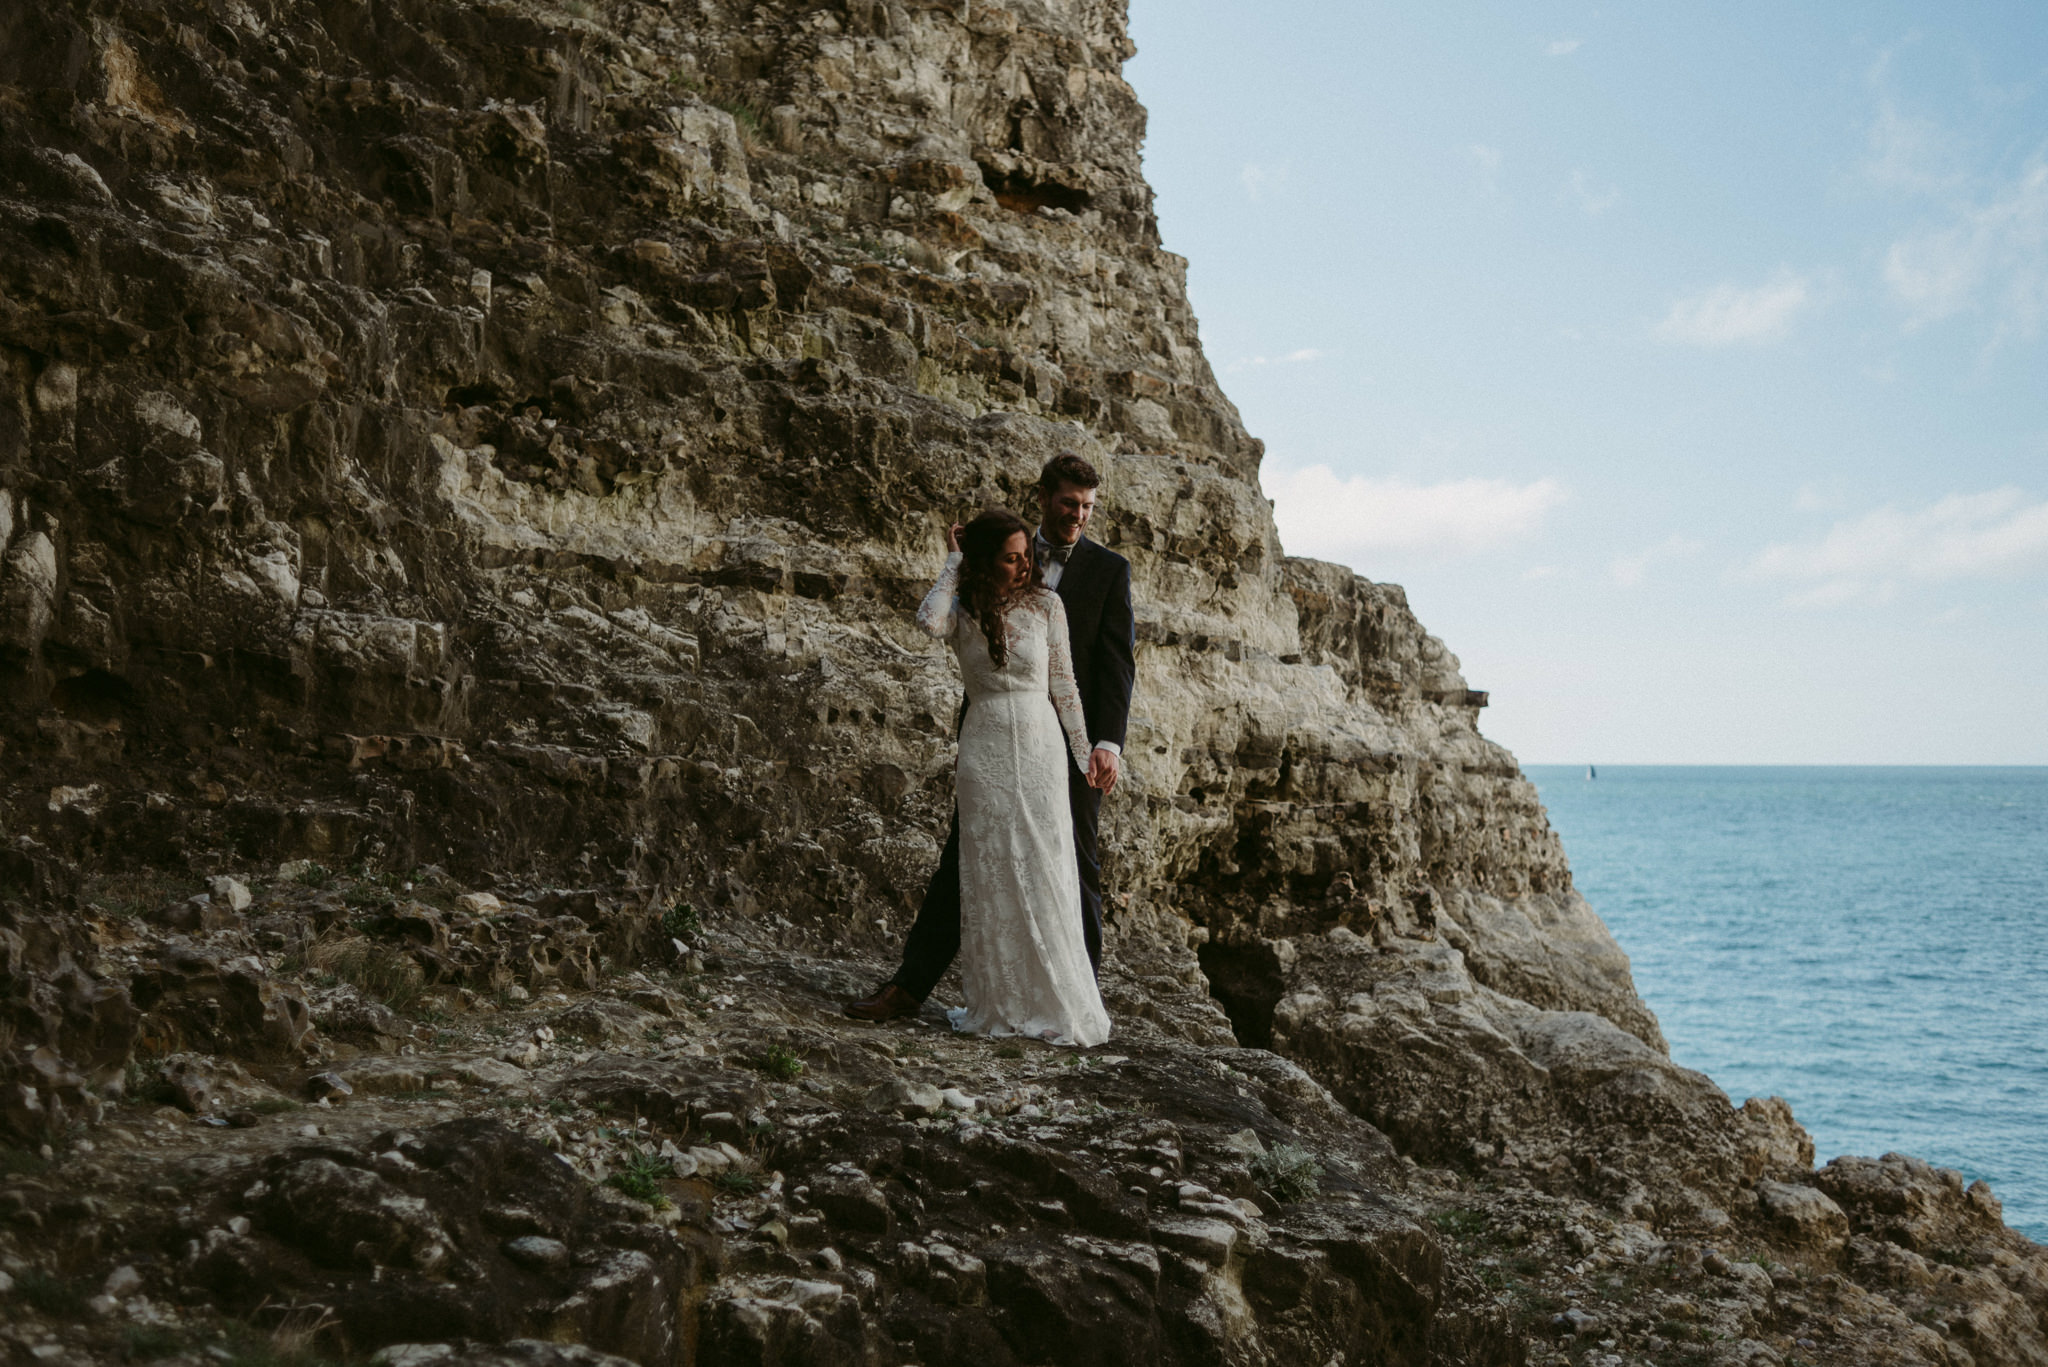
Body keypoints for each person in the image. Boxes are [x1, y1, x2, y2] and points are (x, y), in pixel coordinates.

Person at [846, 453, 1136, 1027]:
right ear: (1043, 498)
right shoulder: (997, 549)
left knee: (1075, 863)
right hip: (990, 739)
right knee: (964, 859)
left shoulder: (1109, 570)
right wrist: (957, 560)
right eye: (1067, 504)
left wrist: (1106, 744)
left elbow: (1113, 665)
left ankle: (1077, 995)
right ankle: (909, 987)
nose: (1077, 516)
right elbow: (933, 620)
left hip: (1063, 747)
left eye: (1087, 507)